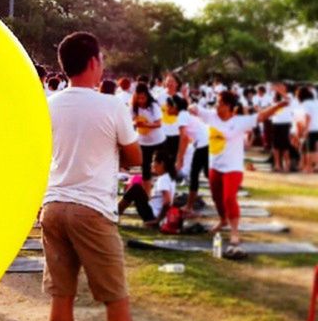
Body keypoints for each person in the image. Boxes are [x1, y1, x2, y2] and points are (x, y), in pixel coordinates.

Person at [41, 31, 167, 321]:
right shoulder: (111, 106)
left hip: (54, 205)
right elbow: (132, 159)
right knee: (116, 300)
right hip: (92, 209)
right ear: (94, 62)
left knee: (61, 297)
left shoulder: (47, 104)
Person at [189, 89, 289, 258]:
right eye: (217, 102)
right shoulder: (211, 116)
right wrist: (192, 106)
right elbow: (195, 108)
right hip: (215, 166)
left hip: (233, 168)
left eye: (220, 103)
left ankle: (235, 232)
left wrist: (278, 105)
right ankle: (223, 220)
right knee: (216, 198)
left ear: (228, 106)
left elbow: (262, 116)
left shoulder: (240, 122)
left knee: (229, 198)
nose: (217, 105)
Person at [118, 150, 176, 227]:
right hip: (155, 214)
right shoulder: (169, 178)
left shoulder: (163, 179)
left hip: (153, 216)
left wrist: (157, 221)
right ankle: (117, 212)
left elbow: (167, 202)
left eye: (154, 162)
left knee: (136, 188)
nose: (152, 165)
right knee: (138, 188)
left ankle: (115, 213)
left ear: (161, 163)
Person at [131, 83, 165, 193]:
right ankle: (147, 194)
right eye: (138, 98)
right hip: (143, 142)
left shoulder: (153, 106)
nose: (141, 100)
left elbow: (159, 124)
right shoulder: (133, 107)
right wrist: (135, 123)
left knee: (161, 166)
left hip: (158, 140)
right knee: (145, 168)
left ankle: (163, 191)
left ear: (147, 96)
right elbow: (130, 121)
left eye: (143, 98)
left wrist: (145, 125)